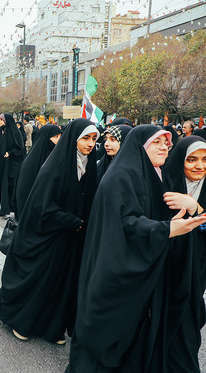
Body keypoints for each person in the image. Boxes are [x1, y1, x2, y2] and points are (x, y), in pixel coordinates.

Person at [67, 126, 206, 372]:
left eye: (167, 143)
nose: (165, 147)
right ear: (141, 146)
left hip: (141, 273)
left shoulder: (156, 174)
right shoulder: (121, 176)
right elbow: (126, 224)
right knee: (106, 334)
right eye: (158, 143)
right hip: (114, 270)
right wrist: (166, 230)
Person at [0, 118, 99, 345]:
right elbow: (42, 206)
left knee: (63, 283)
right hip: (49, 235)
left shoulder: (88, 164)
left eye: (94, 139)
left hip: (72, 237)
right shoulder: (56, 165)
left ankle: (53, 327)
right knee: (41, 280)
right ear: (75, 139)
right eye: (86, 138)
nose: (90, 144)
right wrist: (70, 220)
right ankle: (24, 322)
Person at [162, 135, 206, 372]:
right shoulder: (166, 182)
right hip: (165, 271)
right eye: (192, 160)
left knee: (187, 327)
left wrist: (195, 208)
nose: (200, 166)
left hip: (195, 274)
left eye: (205, 159)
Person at [12, 124, 62, 217]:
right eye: (55, 136)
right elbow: (22, 193)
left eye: (60, 136)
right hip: (31, 214)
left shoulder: (55, 158)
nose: (59, 140)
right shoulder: (30, 163)